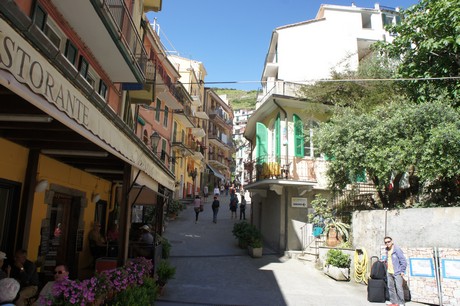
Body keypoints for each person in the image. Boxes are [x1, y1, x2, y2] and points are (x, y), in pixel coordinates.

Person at [384, 236, 407, 306]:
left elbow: (403, 261)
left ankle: (401, 302)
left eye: (388, 241)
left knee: (399, 288)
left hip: (397, 272)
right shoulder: (387, 250)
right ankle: (393, 301)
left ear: (392, 241)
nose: (387, 243)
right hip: (389, 271)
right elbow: (389, 259)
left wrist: (402, 271)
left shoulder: (397, 249)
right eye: (386, 242)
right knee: (390, 287)